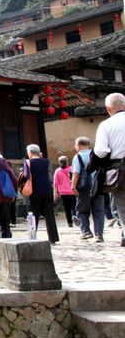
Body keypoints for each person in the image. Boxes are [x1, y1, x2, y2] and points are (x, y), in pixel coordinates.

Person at [93, 93, 125, 247]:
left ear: (108, 108)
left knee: (122, 207)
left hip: (120, 169)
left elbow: (101, 151)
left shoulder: (105, 125)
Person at [71, 136, 105, 242]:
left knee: (82, 210)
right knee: (99, 211)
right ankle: (99, 235)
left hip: (84, 188)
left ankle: (86, 232)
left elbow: (76, 174)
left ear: (78, 145)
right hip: (98, 186)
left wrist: (73, 187)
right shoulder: (97, 155)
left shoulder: (78, 157)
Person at [24, 144, 60, 244]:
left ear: (30, 152)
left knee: (34, 214)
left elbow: (26, 175)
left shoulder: (28, 162)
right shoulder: (46, 161)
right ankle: (53, 238)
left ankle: (32, 236)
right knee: (49, 214)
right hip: (47, 190)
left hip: (35, 190)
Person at [53, 156, 76, 228]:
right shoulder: (72, 169)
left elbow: (55, 183)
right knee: (74, 205)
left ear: (59, 162)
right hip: (72, 191)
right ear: (67, 162)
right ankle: (74, 215)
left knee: (67, 207)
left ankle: (69, 223)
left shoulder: (57, 171)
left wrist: (55, 193)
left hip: (63, 192)